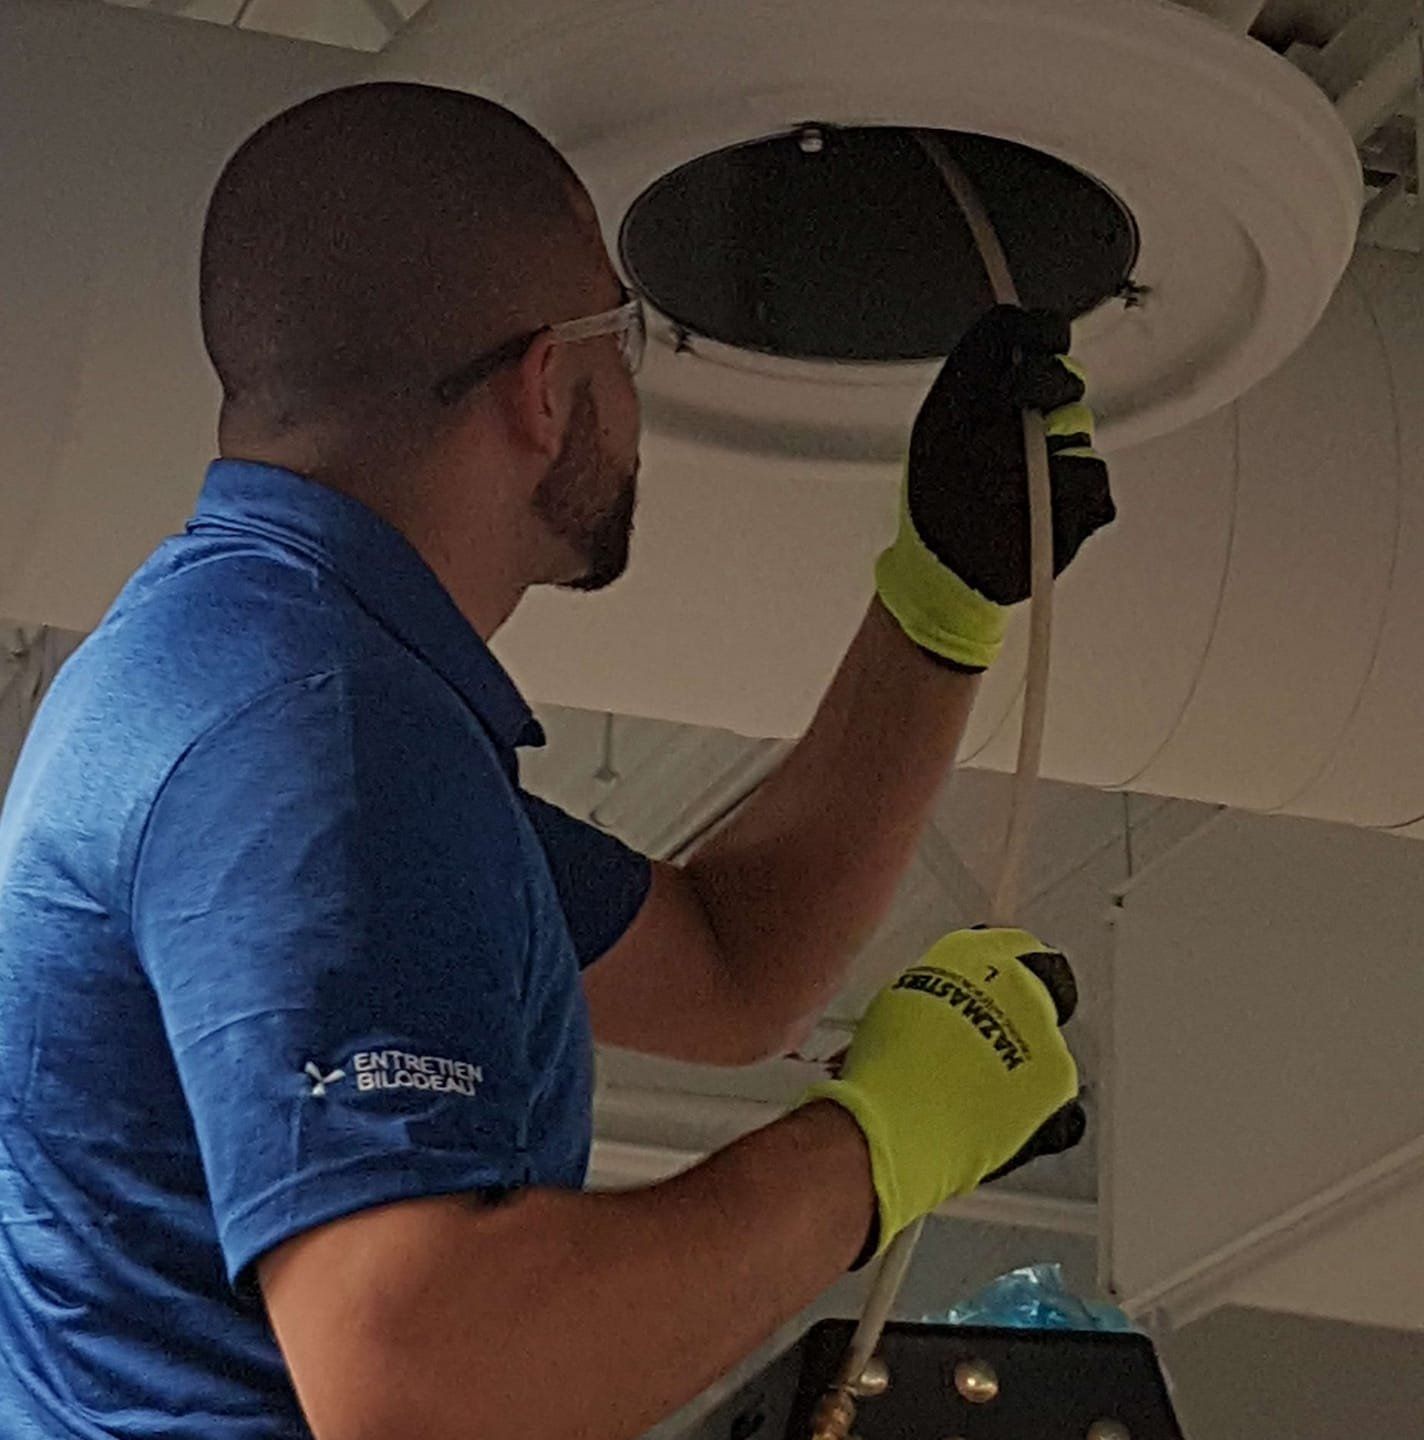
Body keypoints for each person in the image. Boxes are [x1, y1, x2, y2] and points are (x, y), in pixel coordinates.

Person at [0, 83, 1113, 1440]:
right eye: (622, 341)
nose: (629, 397)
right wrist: (871, 1153)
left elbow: (730, 967)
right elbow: (422, 1377)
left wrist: (942, 598)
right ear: (544, 383)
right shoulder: (314, 734)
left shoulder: (244, 679)